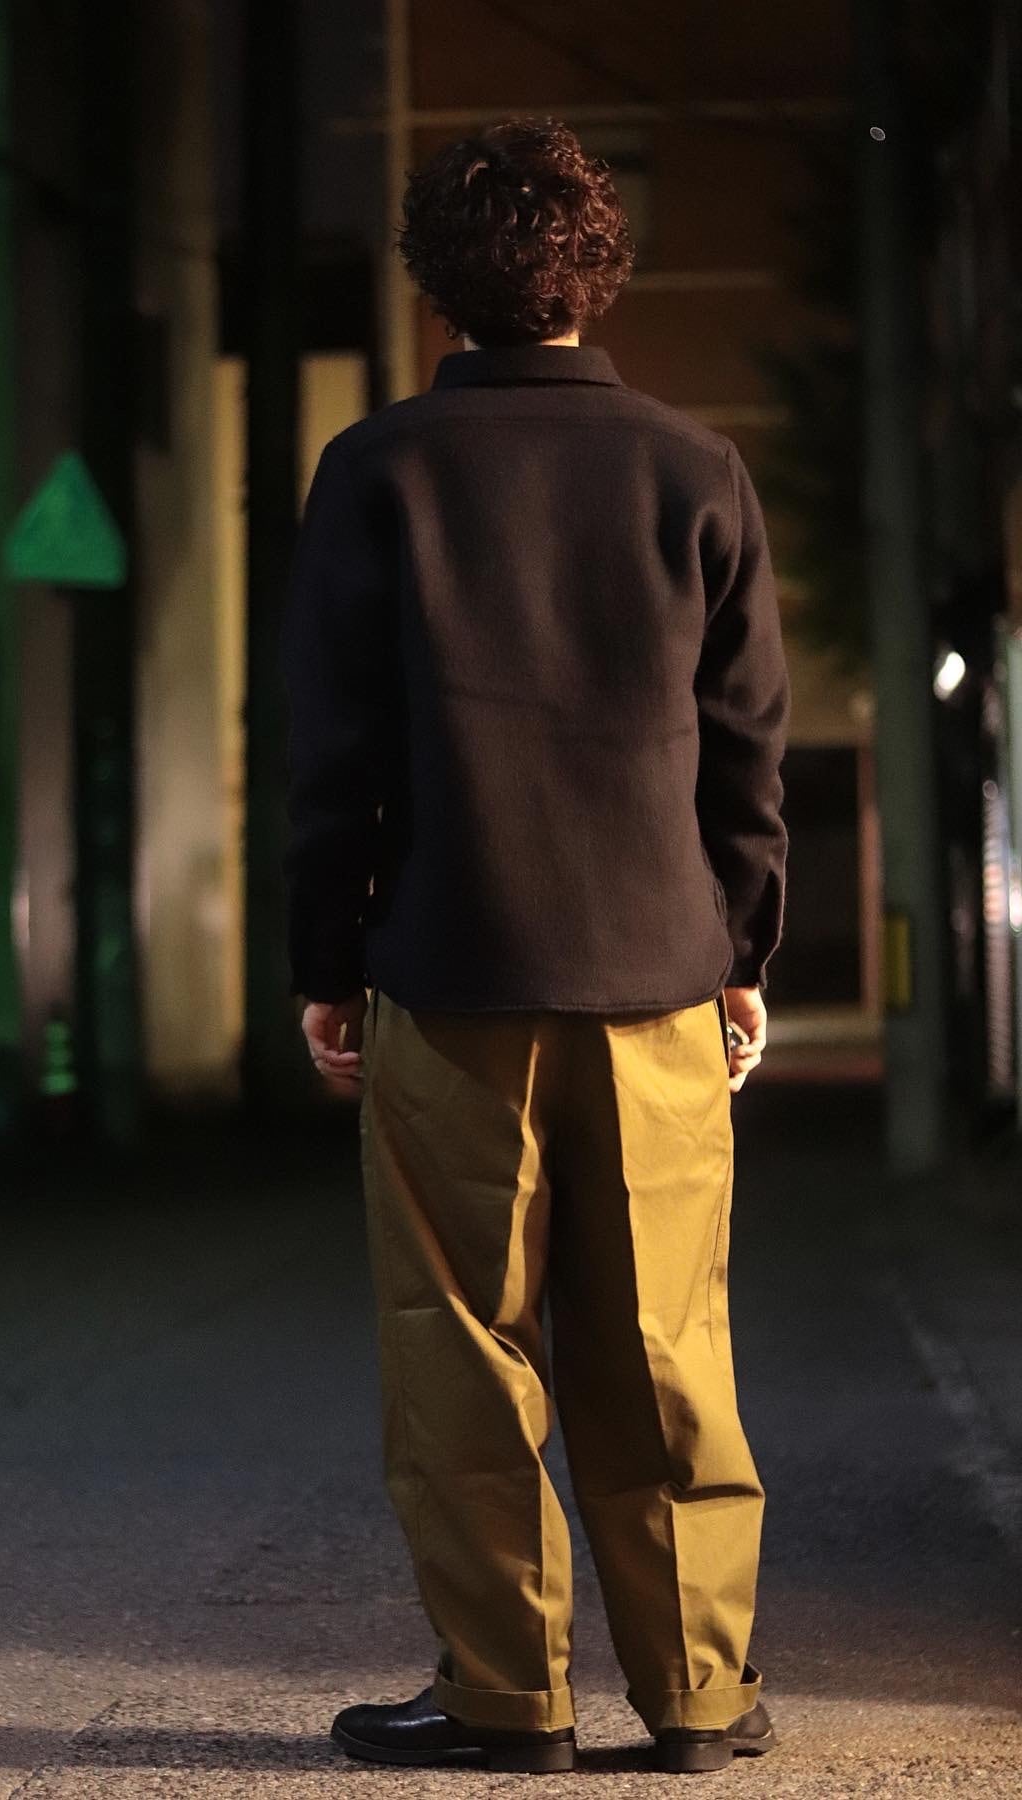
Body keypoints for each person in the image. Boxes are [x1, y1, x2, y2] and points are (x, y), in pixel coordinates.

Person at [280, 117, 789, 1776]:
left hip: (449, 969)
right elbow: (745, 749)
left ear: (437, 284)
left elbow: (334, 751)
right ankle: (698, 1694)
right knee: (665, 1346)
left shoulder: (379, 471)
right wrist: (742, 949)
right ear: (599, 270)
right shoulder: (695, 469)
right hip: (658, 977)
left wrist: (326, 962)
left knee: (461, 1347)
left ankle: (506, 1696)